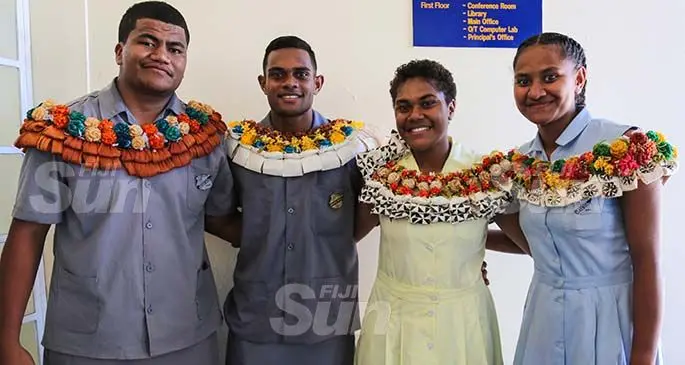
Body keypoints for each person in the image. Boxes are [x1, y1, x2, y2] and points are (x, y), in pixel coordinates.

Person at [0, 2, 235, 364]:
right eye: (148, 42)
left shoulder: (203, 137)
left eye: (175, 49)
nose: (162, 56)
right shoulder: (64, 131)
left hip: (188, 337)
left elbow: (220, 218)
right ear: (119, 51)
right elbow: (28, 234)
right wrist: (7, 340)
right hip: (88, 343)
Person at [496, 32, 679, 365]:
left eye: (550, 77)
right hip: (543, 318)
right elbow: (537, 243)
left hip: (610, 317)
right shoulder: (520, 164)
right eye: (524, 81)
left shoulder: (624, 148)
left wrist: (643, 357)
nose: (535, 91)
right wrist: (462, 246)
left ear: (579, 78)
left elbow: (647, 261)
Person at [353, 59, 527, 365]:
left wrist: (473, 240)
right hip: (393, 317)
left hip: (464, 320)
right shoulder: (381, 175)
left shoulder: (485, 173)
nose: (415, 115)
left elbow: (529, 243)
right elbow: (348, 234)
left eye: (428, 103)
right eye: (403, 106)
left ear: (451, 107)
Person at [221, 35, 378, 365]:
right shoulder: (237, 149)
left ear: (317, 82)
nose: (289, 82)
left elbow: (378, 209)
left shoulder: (350, 149)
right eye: (278, 74)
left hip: (326, 316)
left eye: (300, 74)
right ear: (263, 83)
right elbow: (218, 215)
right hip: (256, 315)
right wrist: (257, 237)